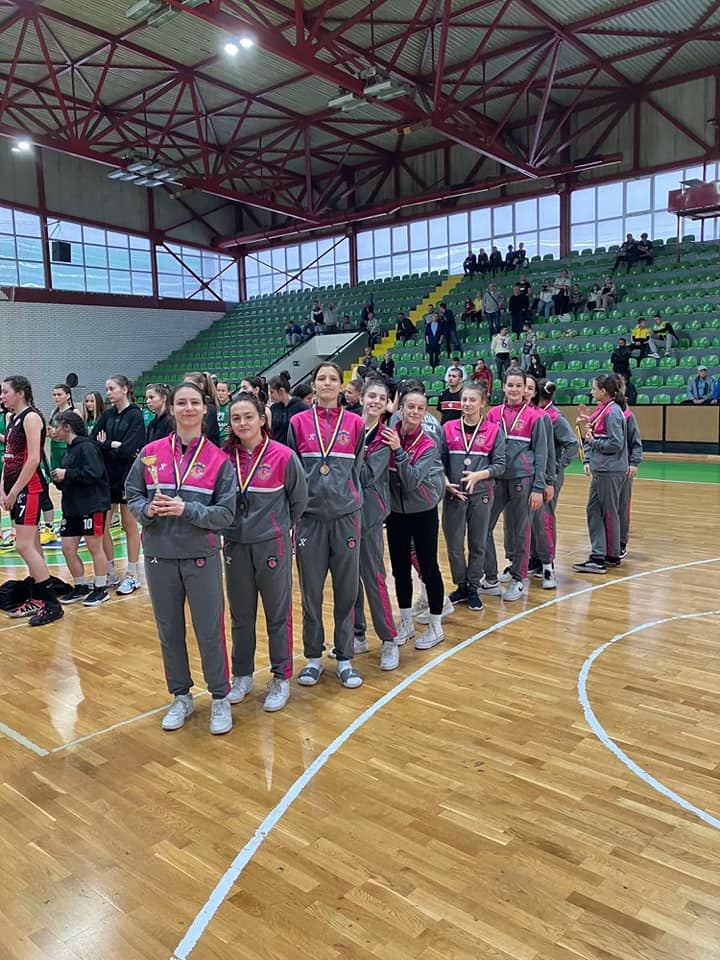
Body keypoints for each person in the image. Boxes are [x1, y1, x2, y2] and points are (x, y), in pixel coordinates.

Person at [126, 381, 236, 734]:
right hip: (159, 555)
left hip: (200, 555)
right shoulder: (150, 452)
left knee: (209, 630)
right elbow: (132, 493)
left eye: (194, 403)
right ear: (171, 409)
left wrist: (186, 509)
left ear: (204, 409)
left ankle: (219, 697)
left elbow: (226, 513)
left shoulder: (219, 459)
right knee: (169, 630)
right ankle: (181, 696)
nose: (188, 409)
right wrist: (147, 510)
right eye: (181, 403)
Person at [221, 393, 308, 713]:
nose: (242, 423)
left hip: (272, 544)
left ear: (262, 419)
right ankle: (242, 675)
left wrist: (277, 526)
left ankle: (281, 677)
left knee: (277, 614)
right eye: (236, 418)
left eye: (248, 417)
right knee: (240, 615)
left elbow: (299, 501)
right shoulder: (223, 458)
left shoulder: (284, 456)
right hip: (235, 544)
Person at [288, 362, 365, 689]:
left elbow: (356, 468)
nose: (328, 383)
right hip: (309, 519)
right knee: (311, 592)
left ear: (341, 385)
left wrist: (347, 496)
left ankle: (345, 657)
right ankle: (313, 658)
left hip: (345, 517)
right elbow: (292, 471)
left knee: (347, 590)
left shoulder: (356, 423)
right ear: (314, 385)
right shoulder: (297, 422)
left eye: (334, 378)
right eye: (322, 378)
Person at [382, 389, 447, 649]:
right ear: (401, 409)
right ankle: (406, 622)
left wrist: (398, 451)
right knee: (399, 570)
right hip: (395, 513)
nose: (415, 412)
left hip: (422, 512)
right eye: (410, 406)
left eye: (420, 408)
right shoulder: (389, 433)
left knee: (429, 567)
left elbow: (410, 482)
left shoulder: (428, 444)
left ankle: (436, 626)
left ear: (425, 412)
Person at [0, 376, 64, 626]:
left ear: (21, 393)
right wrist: (3, 489)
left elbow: (34, 458)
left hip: (30, 489)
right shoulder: (12, 418)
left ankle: (52, 605)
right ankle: (38, 597)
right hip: (15, 490)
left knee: (24, 546)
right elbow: (9, 457)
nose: (2, 396)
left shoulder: (31, 417)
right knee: (33, 546)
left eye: (5, 392)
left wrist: (15, 491)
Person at [480, 369, 548, 602]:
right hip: (497, 479)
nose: (515, 390)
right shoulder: (493, 414)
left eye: (519, 385)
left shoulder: (536, 417)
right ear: (504, 387)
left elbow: (542, 454)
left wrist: (538, 487)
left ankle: (518, 579)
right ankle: (490, 577)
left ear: (525, 388)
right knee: (483, 527)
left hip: (523, 478)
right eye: (510, 385)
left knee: (521, 530)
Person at [441, 382, 505, 611]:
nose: (467, 404)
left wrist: (479, 475)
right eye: (464, 399)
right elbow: (439, 462)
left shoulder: (494, 431)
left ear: (482, 403)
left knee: (478, 543)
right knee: (454, 544)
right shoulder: (448, 428)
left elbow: (500, 465)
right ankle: (461, 586)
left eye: (472, 400)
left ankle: (474, 587)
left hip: (481, 495)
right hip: (454, 495)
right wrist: (445, 483)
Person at [352, 378, 400, 670]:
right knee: (348, 580)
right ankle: (357, 634)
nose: (375, 401)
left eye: (381, 398)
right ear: (361, 398)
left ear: (386, 405)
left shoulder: (385, 437)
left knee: (373, 577)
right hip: (342, 513)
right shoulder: (347, 428)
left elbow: (368, 475)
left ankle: (389, 639)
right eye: (371, 396)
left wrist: (347, 454)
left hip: (368, 515)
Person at [91, 374, 146, 595]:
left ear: (124, 389)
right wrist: (111, 444)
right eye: (107, 389)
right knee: (102, 526)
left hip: (128, 476)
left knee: (128, 524)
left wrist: (107, 444)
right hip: (108, 476)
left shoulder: (135, 415)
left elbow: (128, 449)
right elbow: (93, 440)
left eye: (112, 388)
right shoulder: (107, 414)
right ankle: (111, 571)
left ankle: (133, 574)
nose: (108, 393)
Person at [50, 411, 112, 607]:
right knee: (67, 548)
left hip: (92, 505)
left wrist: (67, 474)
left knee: (95, 547)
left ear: (67, 427)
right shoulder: (69, 450)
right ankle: (80, 586)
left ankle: (101, 588)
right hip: (71, 506)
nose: (54, 431)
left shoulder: (87, 447)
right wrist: (59, 479)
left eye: (57, 426)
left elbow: (94, 473)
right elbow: (70, 477)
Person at [573, 374, 629, 573]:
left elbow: (616, 443)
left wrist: (593, 441)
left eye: (594, 388)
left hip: (609, 470)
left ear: (604, 391)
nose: (591, 392)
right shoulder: (606, 409)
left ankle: (607, 556)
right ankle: (602, 554)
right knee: (595, 510)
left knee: (607, 512)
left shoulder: (612, 412)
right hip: (604, 469)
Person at [528, 379, 578, 589]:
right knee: (532, 517)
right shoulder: (534, 413)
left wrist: (557, 466)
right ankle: (535, 558)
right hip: (534, 474)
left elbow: (572, 444)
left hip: (549, 476)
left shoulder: (554, 417)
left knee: (544, 518)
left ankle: (547, 561)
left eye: (529, 389)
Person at [617, 378, 642, 559]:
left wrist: (634, 462)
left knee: (622, 506)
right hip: (607, 469)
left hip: (624, 468)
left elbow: (636, 442)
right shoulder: (603, 412)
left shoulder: (627, 416)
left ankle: (621, 542)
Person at [184, 371, 220, 445]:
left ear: (200, 386)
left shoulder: (209, 407)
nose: (185, 388)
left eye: (190, 385)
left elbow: (205, 434)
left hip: (206, 449)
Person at [268, 375, 306, 445]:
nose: (270, 395)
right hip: (277, 448)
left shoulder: (301, 407)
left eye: (272, 392)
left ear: (281, 391)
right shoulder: (273, 408)